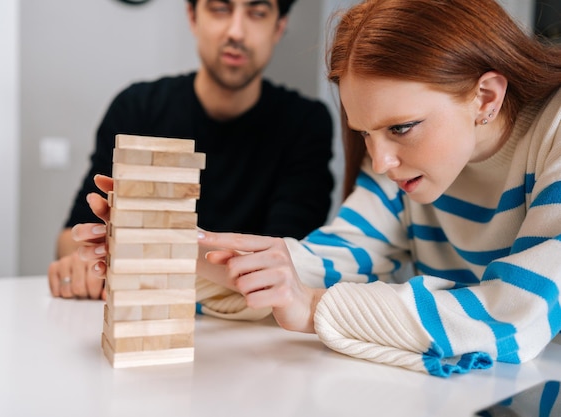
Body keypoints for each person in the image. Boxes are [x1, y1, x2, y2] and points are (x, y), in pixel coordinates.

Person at [78, 0, 561, 378]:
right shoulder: (395, 161)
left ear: (486, 97)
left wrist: (311, 307)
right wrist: (171, 252)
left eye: (401, 128)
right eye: (366, 134)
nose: (381, 161)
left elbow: (515, 316)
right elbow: (331, 259)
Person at [47, 0, 334, 300]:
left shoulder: (305, 123)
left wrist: (148, 249)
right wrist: (80, 264)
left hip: (253, 326)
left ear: (279, 27)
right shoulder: (136, 109)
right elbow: (74, 237)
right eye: (220, 8)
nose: (236, 32)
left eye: (257, 12)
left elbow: (284, 259)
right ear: (193, 16)